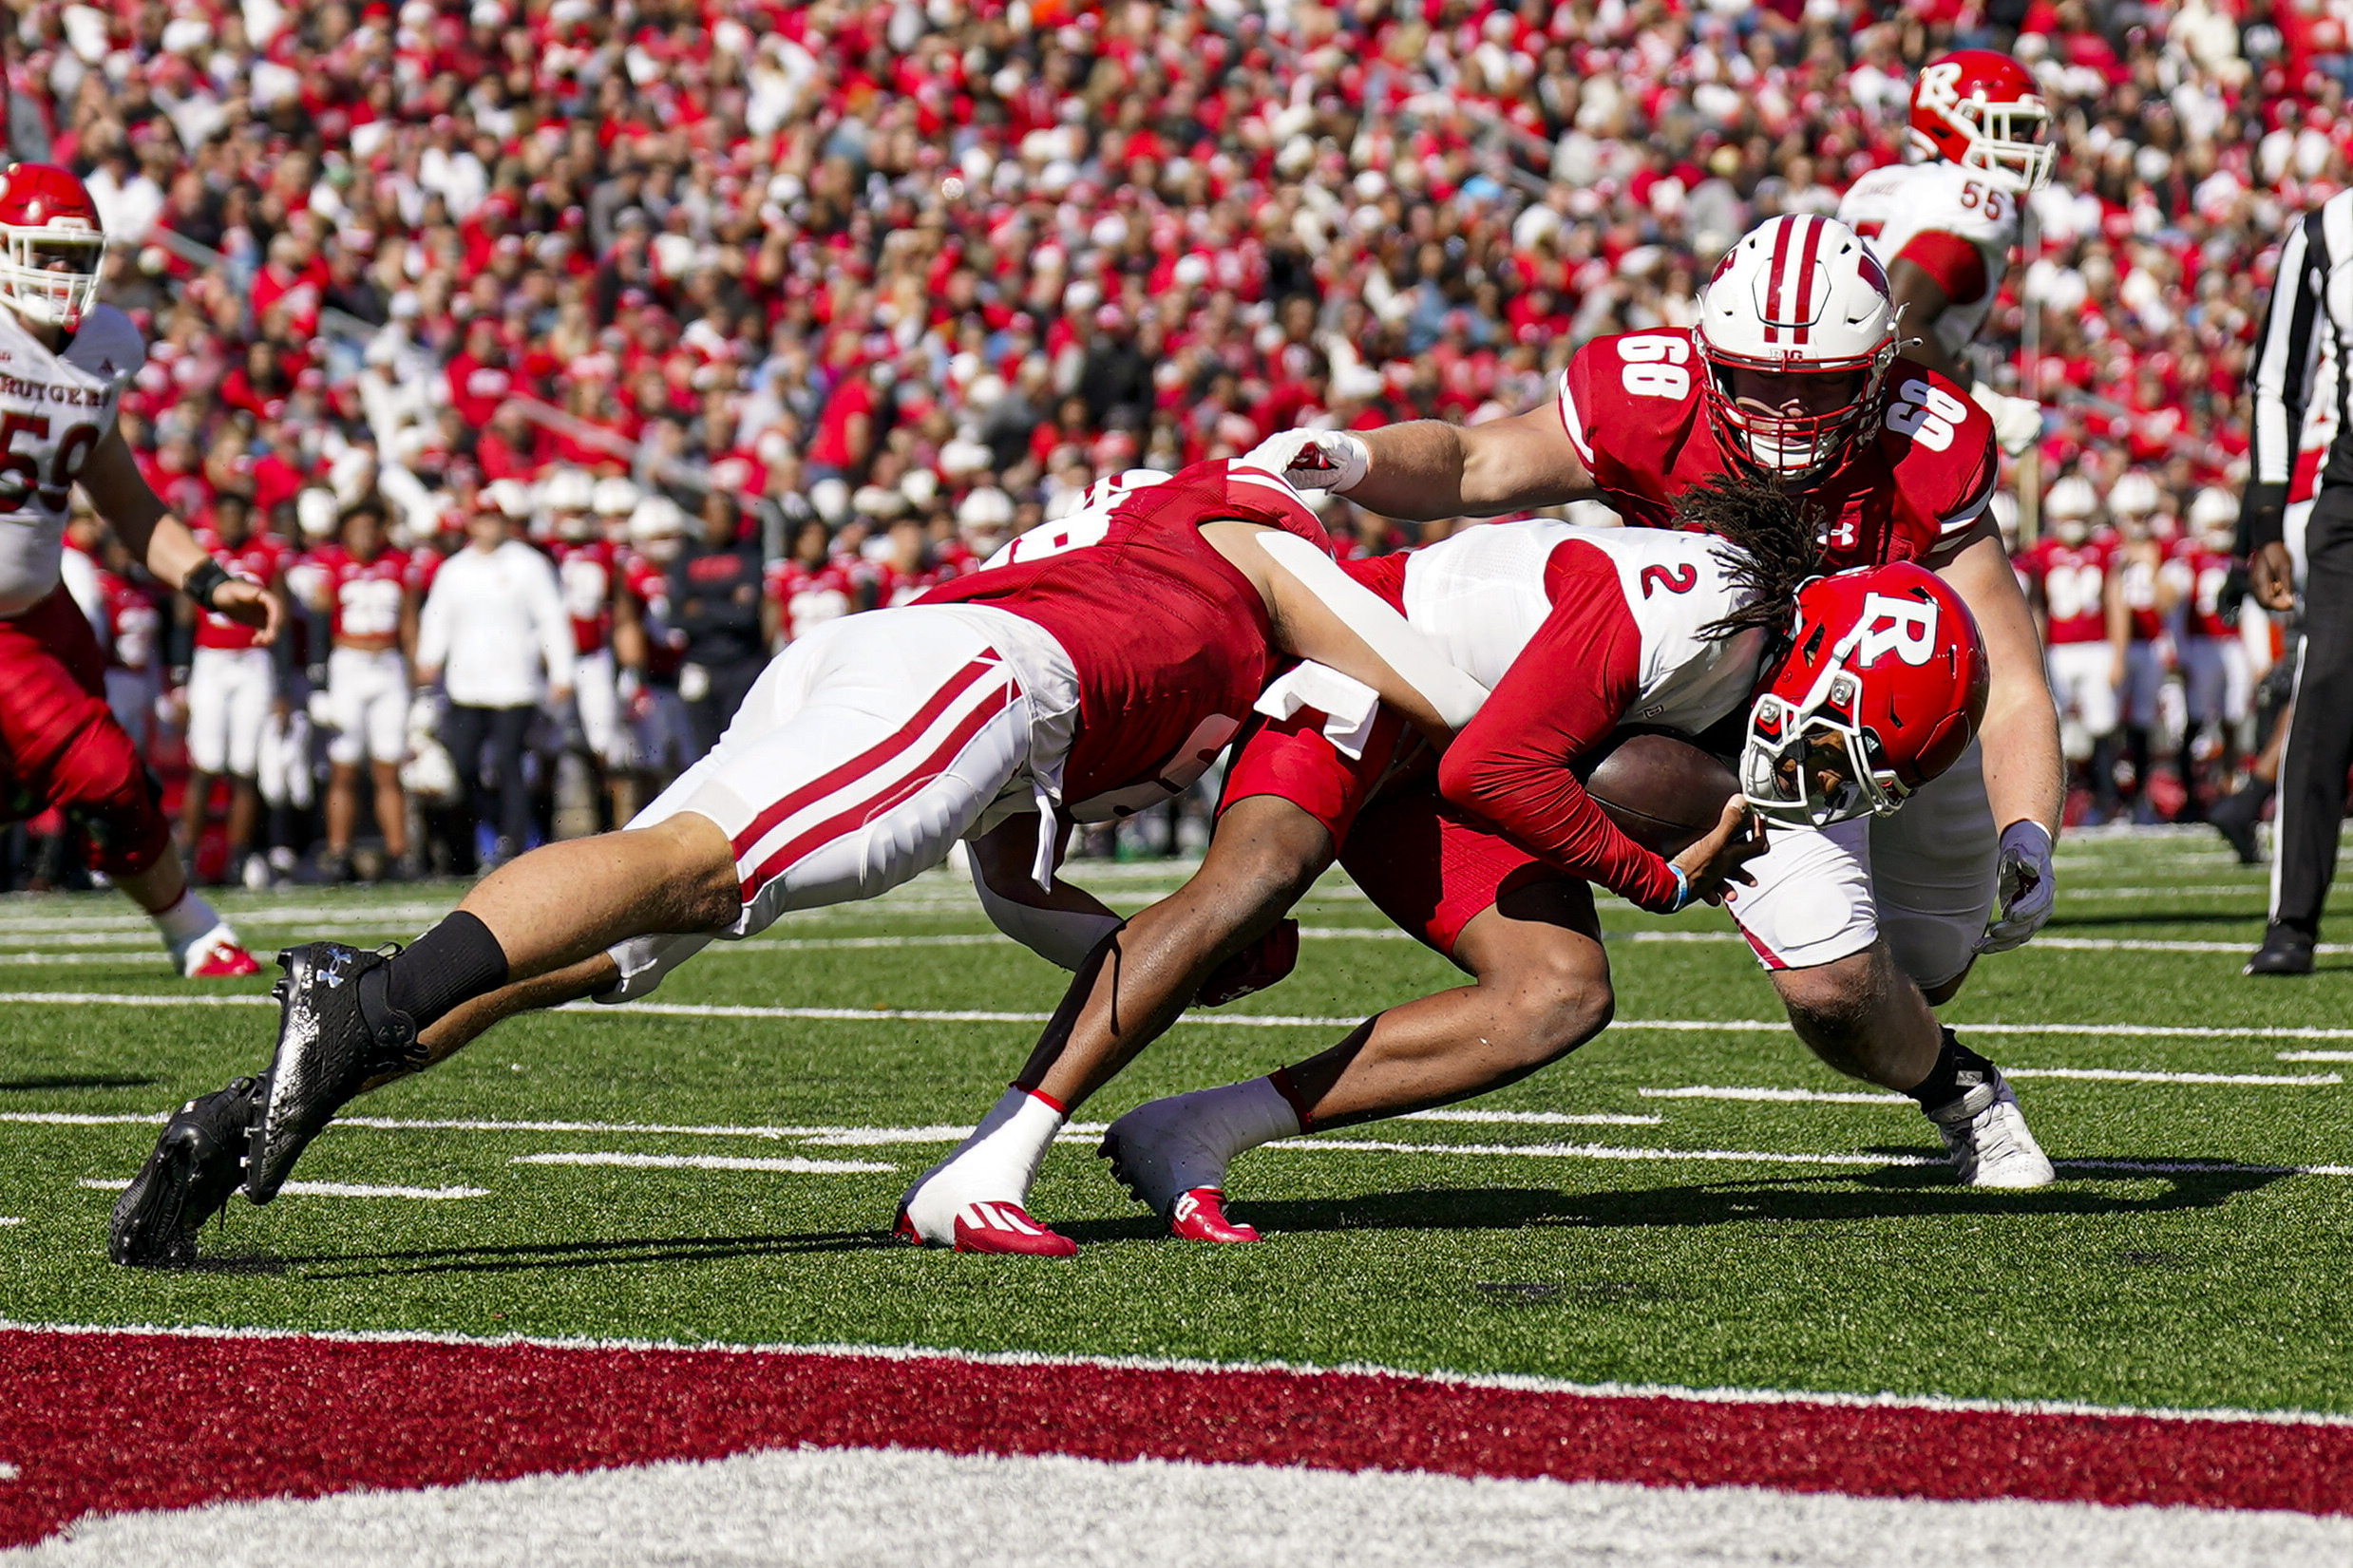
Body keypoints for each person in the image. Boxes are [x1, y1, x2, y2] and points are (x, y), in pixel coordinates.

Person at [108, 458, 1490, 1266]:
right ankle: (359, 997)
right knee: (701, 868)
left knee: (615, 937)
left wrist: (1166, 957)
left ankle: (237, 1118)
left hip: (909, 664)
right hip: (982, 678)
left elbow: (1012, 883)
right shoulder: (1252, 530)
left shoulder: (1126, 560)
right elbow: (1436, 688)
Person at [903, 479, 1986, 1254]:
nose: (1813, 770)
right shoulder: (1692, 614)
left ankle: (1194, 1129)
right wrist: (1657, 881)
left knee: (1553, 996)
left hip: (1453, 733)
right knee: (1253, 881)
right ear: (1818, 655)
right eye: (1831, 739)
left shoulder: (1755, 649)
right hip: (1371, 664)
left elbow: (1506, 755)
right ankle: (991, 1159)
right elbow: (1489, 770)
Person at [1247, 213, 2064, 1189]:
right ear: (1705, 356)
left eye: (1817, 388)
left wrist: (2028, 831)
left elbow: (2009, 678)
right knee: (1835, 986)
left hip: (1873, 720)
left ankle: (1925, 1033)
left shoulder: (1921, 442)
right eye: (1757, 378)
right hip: (1707, 703)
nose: (1783, 411)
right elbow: (1473, 462)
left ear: (1878, 367)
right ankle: (1960, 1089)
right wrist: (1350, 458)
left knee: (1925, 971)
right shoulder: (1646, 396)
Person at [0, 162, 273, 973]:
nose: (60, 273)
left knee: (95, 783)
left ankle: (189, 925)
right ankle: (194, 929)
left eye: (72, 257)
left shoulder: (102, 349)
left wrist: (207, 579)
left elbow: (123, 495)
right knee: (102, 771)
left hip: (43, 609)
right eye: (42, 254)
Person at [2238, 190, 2353, 975]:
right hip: (2350, 485)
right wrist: (2265, 518)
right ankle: (2293, 922)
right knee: (2326, 689)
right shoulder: (2326, 229)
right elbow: (2275, 378)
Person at [1836, 49, 2053, 461]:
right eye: (2010, 127)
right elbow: (1896, 319)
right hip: (1885, 417)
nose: (2025, 143)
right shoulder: (1972, 198)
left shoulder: (1880, 183)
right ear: (1951, 122)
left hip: (1838, 397)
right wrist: (1983, 406)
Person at [414, 496, 574, 869]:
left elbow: (551, 618)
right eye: (481, 519)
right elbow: (437, 617)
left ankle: (514, 845)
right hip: (467, 685)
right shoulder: (455, 569)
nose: (488, 527)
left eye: (494, 519)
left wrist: (561, 671)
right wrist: (429, 657)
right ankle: (477, 839)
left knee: (510, 764)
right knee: (463, 765)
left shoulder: (528, 565)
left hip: (515, 685)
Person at [177, 489, 291, 885]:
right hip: (211, 658)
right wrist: (179, 675)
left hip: (253, 660)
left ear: (248, 518)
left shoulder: (268, 553)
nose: (229, 522)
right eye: (222, 514)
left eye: (236, 514)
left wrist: (282, 684)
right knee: (205, 764)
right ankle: (187, 856)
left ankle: (238, 858)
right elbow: (183, 614)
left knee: (245, 766)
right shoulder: (202, 550)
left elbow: (282, 616)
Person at [311, 499, 419, 882]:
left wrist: (417, 678)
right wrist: (319, 678)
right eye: (358, 527)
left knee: (389, 765)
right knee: (344, 765)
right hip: (349, 663)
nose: (366, 535)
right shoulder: (332, 564)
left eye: (372, 527)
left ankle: (398, 853)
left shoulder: (399, 563)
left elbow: (409, 622)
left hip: (388, 663)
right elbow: (319, 618)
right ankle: (338, 851)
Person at [2019, 477, 2123, 822]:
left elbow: (2115, 601)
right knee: (2054, 729)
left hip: (2097, 647)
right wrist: (2036, 654)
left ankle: (2107, 802)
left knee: (2103, 726)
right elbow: (2037, 609)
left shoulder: (2102, 550)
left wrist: (2118, 652)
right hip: (2059, 651)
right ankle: (2060, 804)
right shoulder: (2043, 553)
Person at [667, 490, 770, 760]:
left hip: (742, 666)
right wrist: (727, 603)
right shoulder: (685, 558)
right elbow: (677, 616)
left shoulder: (749, 555)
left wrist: (702, 606)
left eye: (725, 515)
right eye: (712, 514)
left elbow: (747, 615)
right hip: (700, 664)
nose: (719, 521)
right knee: (702, 753)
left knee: (741, 749)